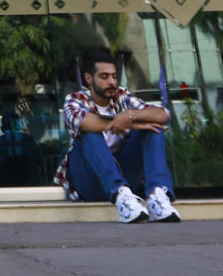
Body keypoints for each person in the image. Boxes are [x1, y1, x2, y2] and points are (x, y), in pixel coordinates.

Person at [54, 48, 180, 223]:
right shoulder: (75, 99)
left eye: (114, 76)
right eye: (104, 77)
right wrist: (129, 122)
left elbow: (163, 114)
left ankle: (156, 197)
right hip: (88, 182)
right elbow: (84, 122)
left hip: (125, 178)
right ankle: (121, 196)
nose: (112, 82)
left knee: (153, 128)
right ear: (89, 79)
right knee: (89, 133)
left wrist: (130, 116)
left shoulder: (121, 96)